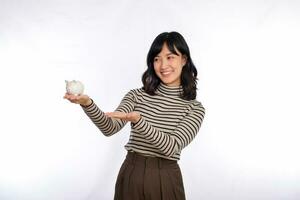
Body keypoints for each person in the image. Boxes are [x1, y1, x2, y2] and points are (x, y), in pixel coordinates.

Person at [64, 31, 205, 200]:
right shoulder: (136, 95)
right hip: (132, 173)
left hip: (165, 178)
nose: (163, 65)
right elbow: (109, 128)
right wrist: (87, 104)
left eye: (170, 57)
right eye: (157, 59)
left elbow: (171, 148)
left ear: (184, 59)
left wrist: (139, 121)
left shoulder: (194, 109)